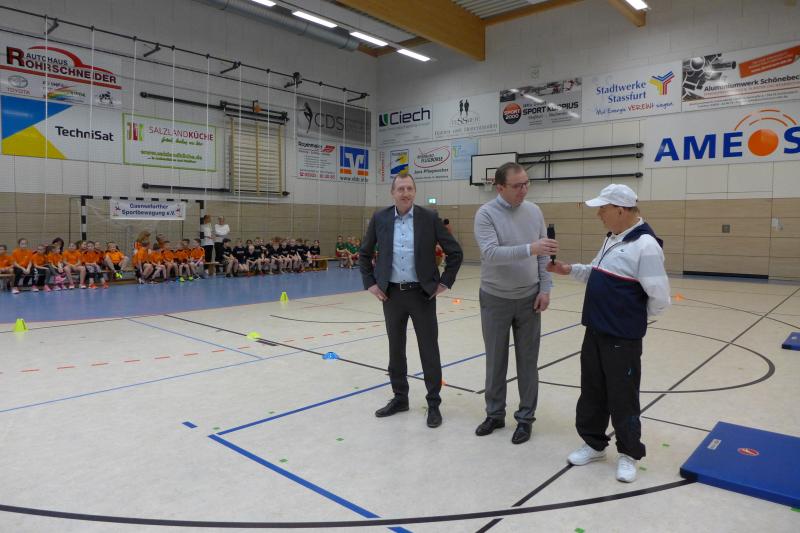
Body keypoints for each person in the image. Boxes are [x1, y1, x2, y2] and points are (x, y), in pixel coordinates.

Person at [546, 184, 670, 483]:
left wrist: (632, 318)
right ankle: (594, 444)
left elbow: (660, 297)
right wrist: (568, 269)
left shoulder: (646, 245)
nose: (599, 214)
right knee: (593, 391)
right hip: (596, 330)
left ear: (621, 210)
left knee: (623, 396)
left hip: (622, 337)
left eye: (603, 208)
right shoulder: (613, 239)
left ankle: (629, 453)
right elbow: (596, 272)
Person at [359, 172, 463, 428]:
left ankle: (433, 403)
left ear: (414, 192)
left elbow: (455, 252)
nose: (405, 193)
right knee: (396, 350)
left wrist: (444, 282)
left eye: (409, 189)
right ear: (392, 193)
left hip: (422, 295)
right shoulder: (380, 218)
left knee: (429, 350)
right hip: (391, 295)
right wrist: (371, 282)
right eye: (400, 189)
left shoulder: (429, 218)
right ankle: (400, 398)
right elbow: (364, 254)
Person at [473, 162, 558, 445]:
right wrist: (530, 248)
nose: (524, 190)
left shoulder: (534, 211)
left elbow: (544, 255)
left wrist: (545, 288)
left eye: (526, 184)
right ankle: (495, 414)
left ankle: (525, 418)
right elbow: (491, 253)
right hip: (495, 299)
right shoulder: (485, 214)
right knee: (495, 360)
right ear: (500, 187)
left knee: (528, 362)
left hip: (529, 299)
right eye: (517, 186)